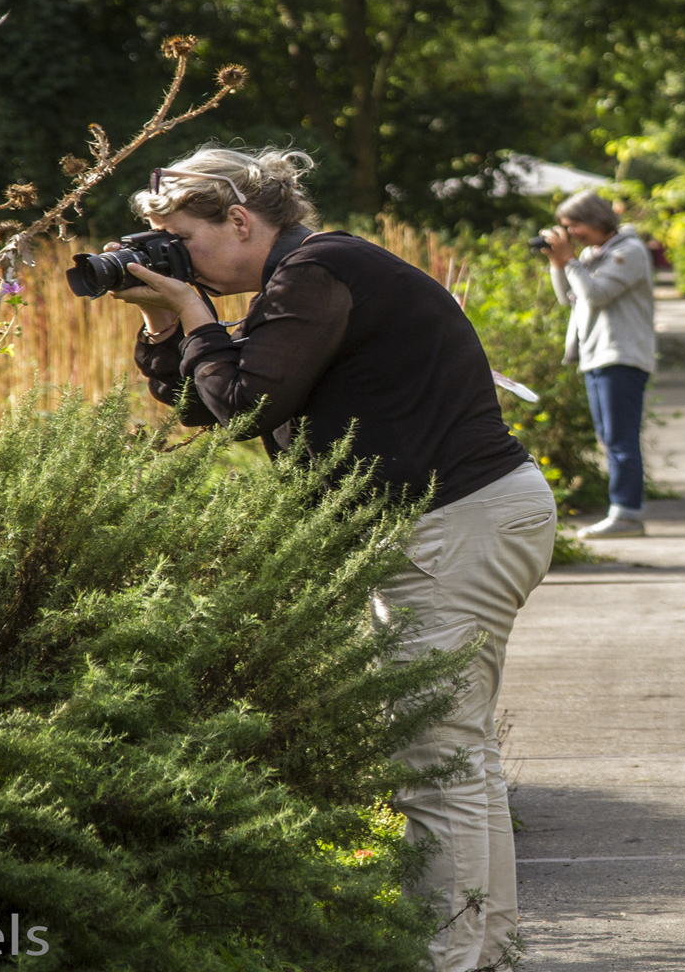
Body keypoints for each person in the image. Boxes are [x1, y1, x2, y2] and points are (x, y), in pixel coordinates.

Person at [114, 145, 556, 972]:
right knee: (456, 751)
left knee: (434, 756)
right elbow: (204, 404)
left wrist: (201, 315)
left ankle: (449, 957)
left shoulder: (315, 273)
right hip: (462, 518)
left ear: (239, 220)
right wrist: (166, 319)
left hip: (452, 522)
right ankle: (480, 949)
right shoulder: (313, 272)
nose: (178, 260)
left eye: (182, 240)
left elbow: (245, 407)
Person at [540, 190, 656, 539]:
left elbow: (596, 295)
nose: (570, 234)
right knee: (609, 438)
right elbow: (570, 299)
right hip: (597, 354)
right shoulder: (594, 253)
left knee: (620, 439)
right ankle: (623, 510)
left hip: (621, 354)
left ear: (595, 220)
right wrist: (558, 262)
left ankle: (627, 513)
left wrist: (572, 261)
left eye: (572, 225)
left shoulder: (629, 252)